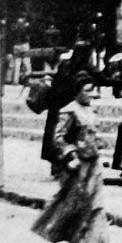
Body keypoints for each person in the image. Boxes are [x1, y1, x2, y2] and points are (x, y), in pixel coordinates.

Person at [32, 74, 107, 243]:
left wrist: (100, 148)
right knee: (77, 200)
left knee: (95, 199)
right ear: (78, 92)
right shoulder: (70, 111)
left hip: (93, 160)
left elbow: (93, 134)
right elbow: (59, 137)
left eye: (93, 90)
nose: (92, 94)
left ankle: (89, 238)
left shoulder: (91, 111)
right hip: (78, 162)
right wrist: (71, 155)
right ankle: (70, 235)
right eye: (87, 91)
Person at [40, 41, 95, 170]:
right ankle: (64, 164)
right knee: (68, 135)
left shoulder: (65, 64)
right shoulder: (85, 67)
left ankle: (55, 163)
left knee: (54, 134)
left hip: (55, 103)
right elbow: (101, 77)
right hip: (69, 106)